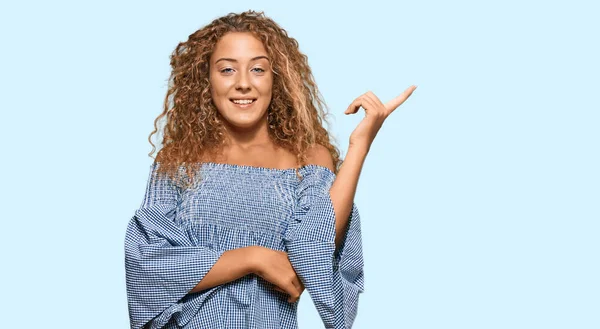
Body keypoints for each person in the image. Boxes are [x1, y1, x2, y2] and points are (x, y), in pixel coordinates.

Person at [124, 10, 416, 329]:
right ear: (205, 79)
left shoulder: (308, 160)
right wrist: (255, 259)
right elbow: (148, 264)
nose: (244, 84)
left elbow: (312, 249)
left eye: (258, 69)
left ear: (275, 78)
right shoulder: (178, 161)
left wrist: (360, 146)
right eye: (227, 70)